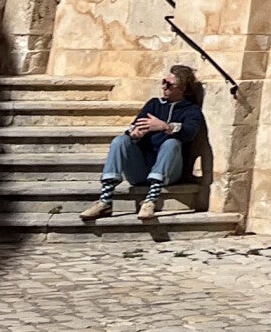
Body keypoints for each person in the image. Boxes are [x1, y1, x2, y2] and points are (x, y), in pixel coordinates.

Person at [79, 64, 206, 224]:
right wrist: (134, 134)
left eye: (169, 84)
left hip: (169, 172)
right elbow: (135, 126)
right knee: (120, 141)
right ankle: (105, 201)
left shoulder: (191, 110)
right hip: (141, 170)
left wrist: (165, 127)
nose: (163, 87)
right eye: (163, 82)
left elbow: (189, 133)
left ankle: (150, 201)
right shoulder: (154, 104)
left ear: (182, 88)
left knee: (172, 143)